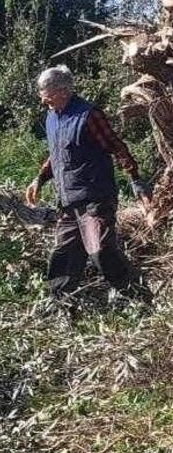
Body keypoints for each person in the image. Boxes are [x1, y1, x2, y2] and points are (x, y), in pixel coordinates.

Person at [25, 65, 151, 313]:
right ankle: (60, 305)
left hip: (95, 199)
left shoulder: (89, 115)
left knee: (100, 251)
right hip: (68, 202)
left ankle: (138, 298)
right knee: (63, 254)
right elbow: (57, 154)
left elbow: (117, 147)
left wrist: (136, 179)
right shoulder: (52, 116)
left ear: (62, 91)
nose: (42, 99)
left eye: (46, 93)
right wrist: (39, 179)